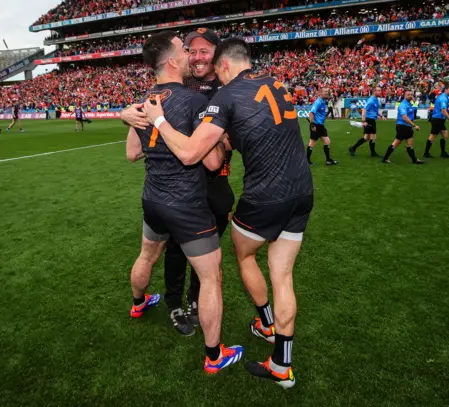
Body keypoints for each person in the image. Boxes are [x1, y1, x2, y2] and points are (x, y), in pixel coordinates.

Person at [143, 38, 313, 389]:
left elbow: (191, 154)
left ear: (222, 66)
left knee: (243, 252)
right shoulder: (275, 82)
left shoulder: (226, 94)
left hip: (266, 196)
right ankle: (282, 362)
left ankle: (265, 320)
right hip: (302, 192)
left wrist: (158, 119)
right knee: (283, 276)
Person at [125, 31, 243, 374]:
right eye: (183, 48)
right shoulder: (193, 102)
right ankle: (214, 355)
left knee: (148, 254)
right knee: (211, 278)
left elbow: (132, 153)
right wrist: (221, 141)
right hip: (187, 203)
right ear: (173, 60)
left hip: (152, 198)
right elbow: (208, 162)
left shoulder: (145, 101)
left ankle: (138, 304)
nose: (190, 52)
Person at [381, 90, 424, 165]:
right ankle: (385, 158)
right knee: (396, 143)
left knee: (410, 144)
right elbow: (404, 117)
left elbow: (413, 111)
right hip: (402, 126)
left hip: (408, 127)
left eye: (411, 94)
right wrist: (414, 125)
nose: (410, 96)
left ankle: (414, 160)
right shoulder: (403, 105)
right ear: (404, 96)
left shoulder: (409, 104)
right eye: (408, 94)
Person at [348, 86, 385, 157]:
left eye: (380, 90)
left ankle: (353, 148)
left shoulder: (376, 100)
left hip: (371, 119)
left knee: (366, 137)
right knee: (373, 137)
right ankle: (373, 153)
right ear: (374, 92)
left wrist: (381, 116)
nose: (380, 92)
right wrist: (364, 121)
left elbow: (375, 110)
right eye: (379, 90)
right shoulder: (371, 100)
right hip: (369, 120)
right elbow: (364, 110)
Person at [307, 88, 338, 166]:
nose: (327, 93)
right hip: (316, 126)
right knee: (312, 143)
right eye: (325, 92)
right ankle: (306, 161)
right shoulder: (318, 102)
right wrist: (312, 125)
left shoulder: (323, 102)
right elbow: (311, 113)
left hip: (321, 126)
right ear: (320, 93)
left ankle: (328, 160)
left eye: (327, 91)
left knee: (327, 141)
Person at [424, 86, 449, 159]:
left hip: (439, 119)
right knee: (433, 136)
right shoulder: (443, 98)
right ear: (446, 90)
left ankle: (443, 152)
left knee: (445, 134)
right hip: (437, 119)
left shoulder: (442, 96)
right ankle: (426, 153)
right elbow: (443, 111)